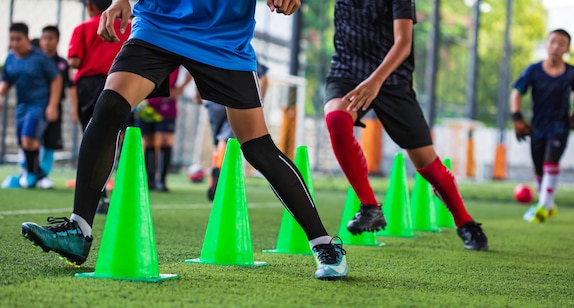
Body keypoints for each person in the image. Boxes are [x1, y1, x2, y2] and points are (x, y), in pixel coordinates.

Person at [20, 0, 348, 280]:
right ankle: (79, 229)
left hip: (222, 35)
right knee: (108, 107)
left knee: (257, 147)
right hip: (158, 23)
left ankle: (323, 243)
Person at [323, 0, 488, 250]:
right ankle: (369, 206)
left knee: (428, 164)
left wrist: (375, 81)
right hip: (347, 71)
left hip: (391, 79)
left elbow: (404, 43)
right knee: (336, 119)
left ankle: (466, 223)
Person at [510, 28, 574, 224]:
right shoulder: (533, 70)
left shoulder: (572, 73)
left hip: (560, 126)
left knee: (551, 161)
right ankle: (548, 205)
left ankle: (543, 205)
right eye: (553, 41)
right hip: (537, 127)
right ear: (546, 44)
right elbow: (516, 93)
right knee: (538, 167)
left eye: (562, 43)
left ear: (567, 48)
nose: (556, 46)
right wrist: (517, 117)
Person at [67, 0, 132, 213]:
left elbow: (74, 61)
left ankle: (99, 198)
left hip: (89, 84)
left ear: (90, 6)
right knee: (120, 139)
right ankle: (125, 192)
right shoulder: (129, 27)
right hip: (121, 81)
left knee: (94, 137)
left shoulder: (83, 28)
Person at [0, 23, 62, 189]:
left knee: (29, 138)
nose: (14, 43)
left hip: (39, 105)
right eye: (12, 39)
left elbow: (56, 79)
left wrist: (52, 105)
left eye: (18, 39)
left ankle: (33, 174)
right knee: (24, 142)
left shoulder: (41, 59)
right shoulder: (11, 58)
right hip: (22, 106)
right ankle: (36, 174)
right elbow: (6, 79)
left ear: (27, 39)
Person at [205, 61, 269, 201]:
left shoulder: (211, 42)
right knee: (226, 140)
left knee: (219, 142)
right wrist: (259, 101)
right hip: (233, 97)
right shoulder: (239, 45)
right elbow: (264, 78)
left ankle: (215, 174)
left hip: (212, 96)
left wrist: (199, 92)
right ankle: (220, 175)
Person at [138, 67, 192, 191]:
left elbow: (192, 70)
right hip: (147, 103)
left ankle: (162, 180)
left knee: (165, 141)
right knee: (148, 141)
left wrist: (180, 89)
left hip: (167, 103)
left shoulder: (177, 53)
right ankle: (149, 179)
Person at [38, 25, 77, 189]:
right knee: (30, 139)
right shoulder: (35, 60)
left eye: (50, 38)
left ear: (57, 40)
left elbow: (71, 86)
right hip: (36, 104)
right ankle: (28, 172)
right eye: (44, 38)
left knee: (50, 141)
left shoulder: (62, 64)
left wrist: (74, 108)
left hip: (55, 107)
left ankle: (43, 175)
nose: (47, 42)